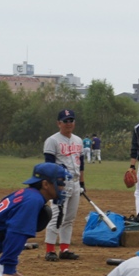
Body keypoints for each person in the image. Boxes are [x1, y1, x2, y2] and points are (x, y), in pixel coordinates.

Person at [43, 109, 85, 261]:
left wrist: (82, 183)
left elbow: (81, 165)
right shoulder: (52, 140)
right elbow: (48, 165)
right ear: (58, 123)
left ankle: (64, 248)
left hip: (74, 182)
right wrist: (55, 186)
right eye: (65, 121)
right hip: (60, 184)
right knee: (57, 216)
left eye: (71, 120)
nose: (69, 123)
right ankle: (50, 250)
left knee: (69, 217)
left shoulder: (78, 140)